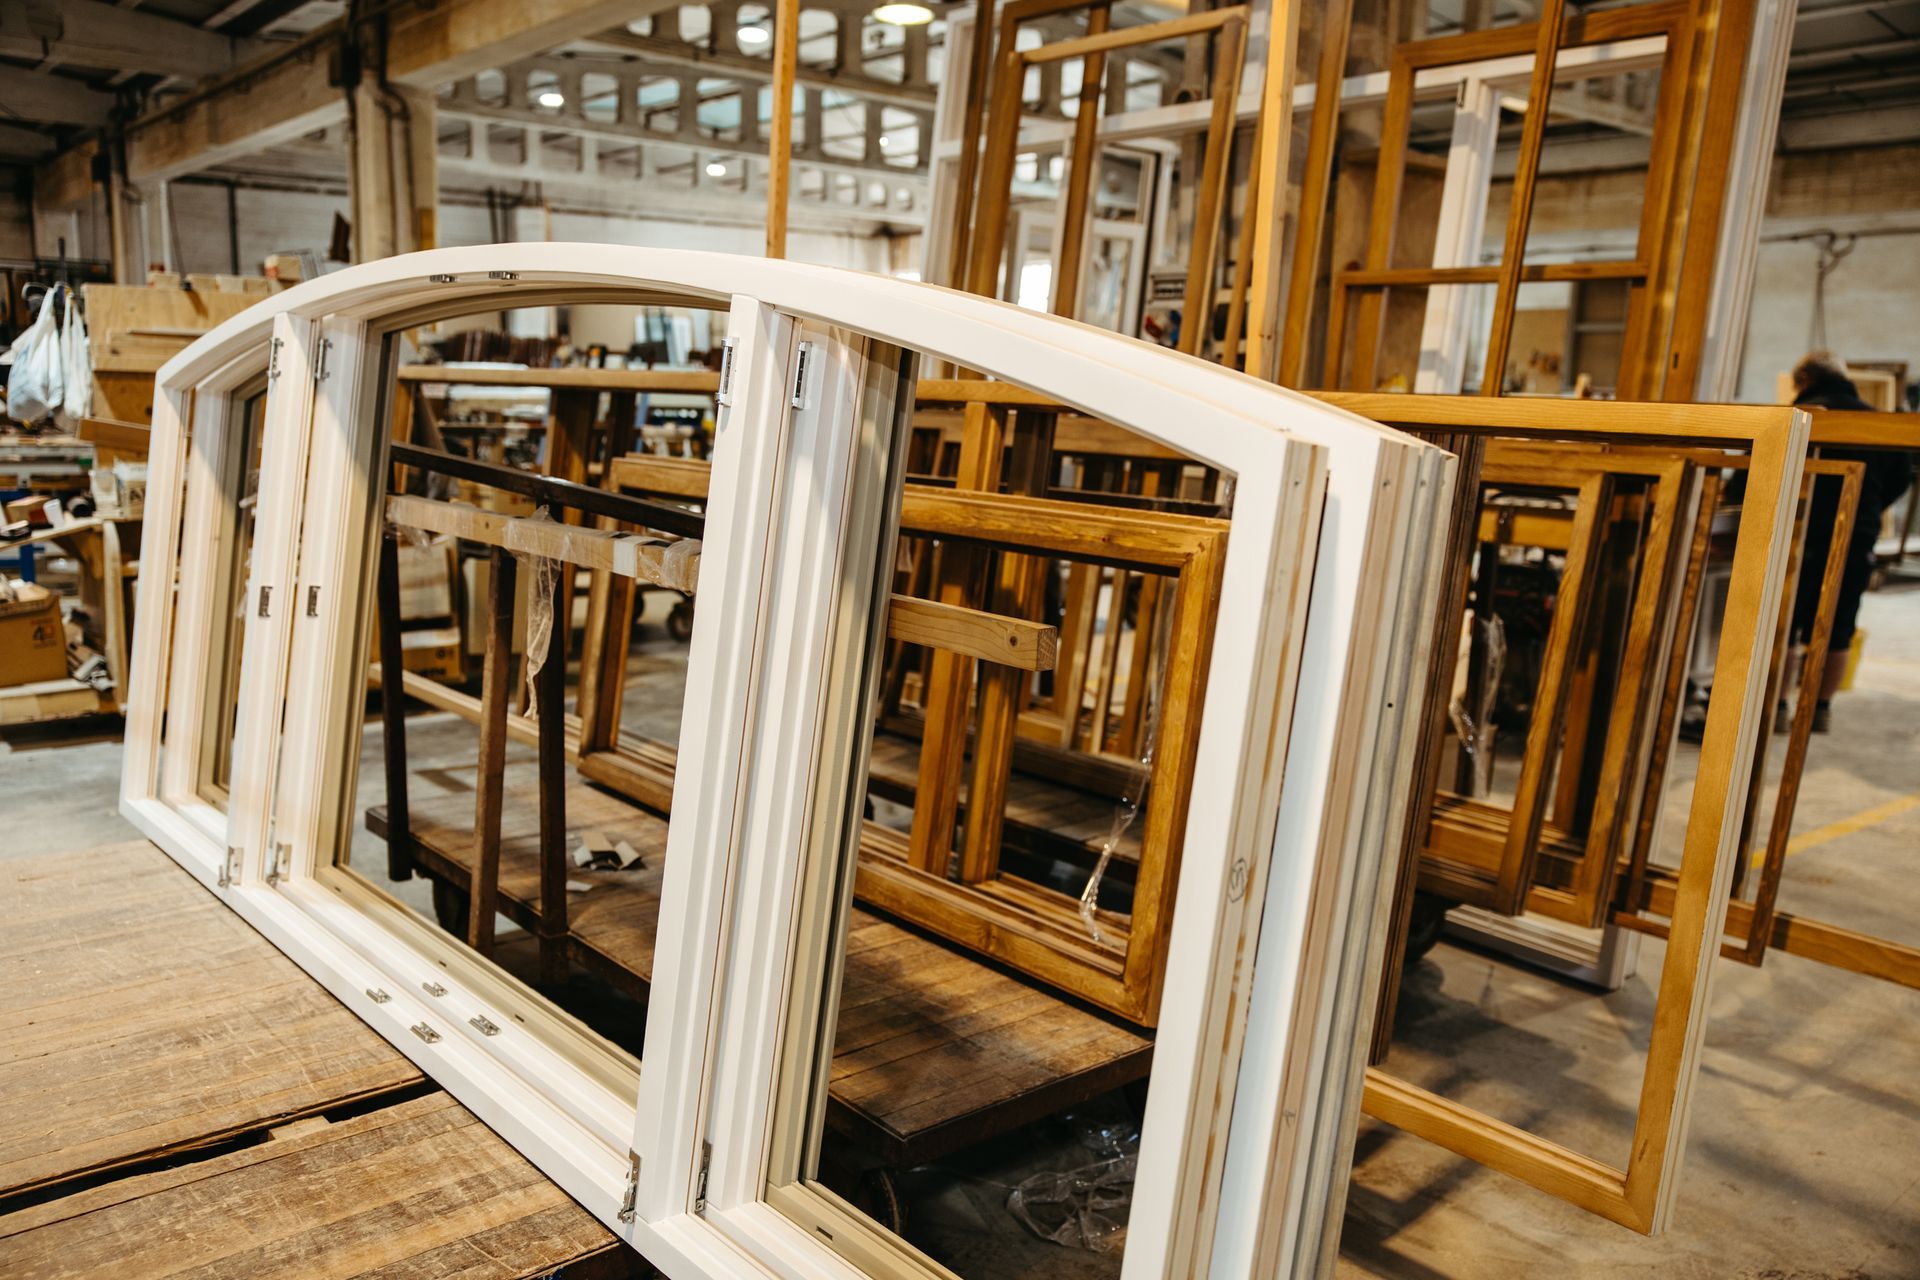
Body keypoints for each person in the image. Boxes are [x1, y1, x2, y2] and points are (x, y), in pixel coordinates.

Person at [1784, 352, 1914, 733]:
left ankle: (1775, 705)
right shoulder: (1876, 422)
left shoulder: (1801, 416)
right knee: (1838, 627)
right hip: (1856, 537)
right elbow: (1901, 478)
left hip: (1800, 537)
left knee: (1785, 626)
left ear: (1805, 380)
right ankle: (1819, 710)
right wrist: (1867, 509)